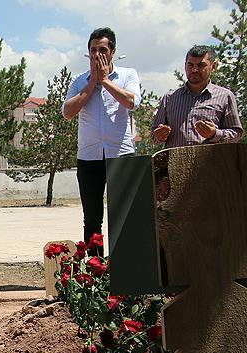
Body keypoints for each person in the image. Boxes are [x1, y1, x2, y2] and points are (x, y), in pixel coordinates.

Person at [62, 27, 141, 251]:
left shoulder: (128, 75)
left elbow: (133, 102)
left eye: (103, 49)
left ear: (113, 51)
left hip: (121, 156)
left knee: (123, 216)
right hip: (89, 158)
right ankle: (96, 273)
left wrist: (105, 81)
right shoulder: (79, 80)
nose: (98, 55)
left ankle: (126, 271)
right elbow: (67, 112)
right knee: (92, 219)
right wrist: (91, 84)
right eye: (93, 50)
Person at [152, 45, 242, 148]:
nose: (194, 70)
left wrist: (214, 134)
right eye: (190, 65)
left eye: (201, 65)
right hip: (176, 162)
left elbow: (236, 134)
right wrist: (159, 136)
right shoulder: (169, 98)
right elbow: (154, 135)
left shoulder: (225, 97)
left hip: (211, 162)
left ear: (213, 66)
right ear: (185, 65)